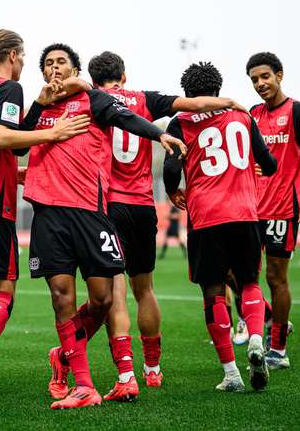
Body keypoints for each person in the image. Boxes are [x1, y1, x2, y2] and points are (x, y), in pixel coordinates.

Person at [22, 43, 186, 409]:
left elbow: (126, 118)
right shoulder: (40, 108)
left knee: (103, 298)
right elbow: (18, 143)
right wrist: (39, 105)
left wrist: (158, 134)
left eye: (61, 62)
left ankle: (62, 355)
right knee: (61, 296)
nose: (54, 68)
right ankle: (84, 385)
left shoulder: (93, 101)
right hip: (48, 212)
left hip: (92, 211)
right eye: (47, 64)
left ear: (76, 68)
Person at [0, 29, 92, 407]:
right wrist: (54, 133)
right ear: (11, 55)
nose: (25, 64)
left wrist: (35, 122)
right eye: (24, 57)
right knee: (3, 293)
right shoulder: (7, 89)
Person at [86, 50, 245, 401]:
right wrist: (230, 101)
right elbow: (191, 104)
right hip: (143, 206)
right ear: (124, 76)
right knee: (145, 289)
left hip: (109, 206)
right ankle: (153, 370)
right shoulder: (145, 99)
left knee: (116, 291)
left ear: (94, 81)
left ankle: (126, 371)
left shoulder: (92, 100)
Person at [163, 61, 277, 392]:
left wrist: (174, 190)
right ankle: (256, 338)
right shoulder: (243, 116)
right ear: (217, 90)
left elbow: (172, 169)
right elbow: (268, 164)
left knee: (213, 293)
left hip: (206, 218)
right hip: (245, 215)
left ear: (187, 95)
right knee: (250, 282)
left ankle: (231, 374)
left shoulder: (179, 121)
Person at [247, 52, 300, 369]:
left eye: (265, 76)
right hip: (250, 209)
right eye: (254, 79)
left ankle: (278, 348)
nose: (260, 84)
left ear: (279, 75)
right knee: (234, 274)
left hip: (282, 208)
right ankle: (269, 316)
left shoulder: (297, 111)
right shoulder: (252, 113)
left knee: (275, 277)